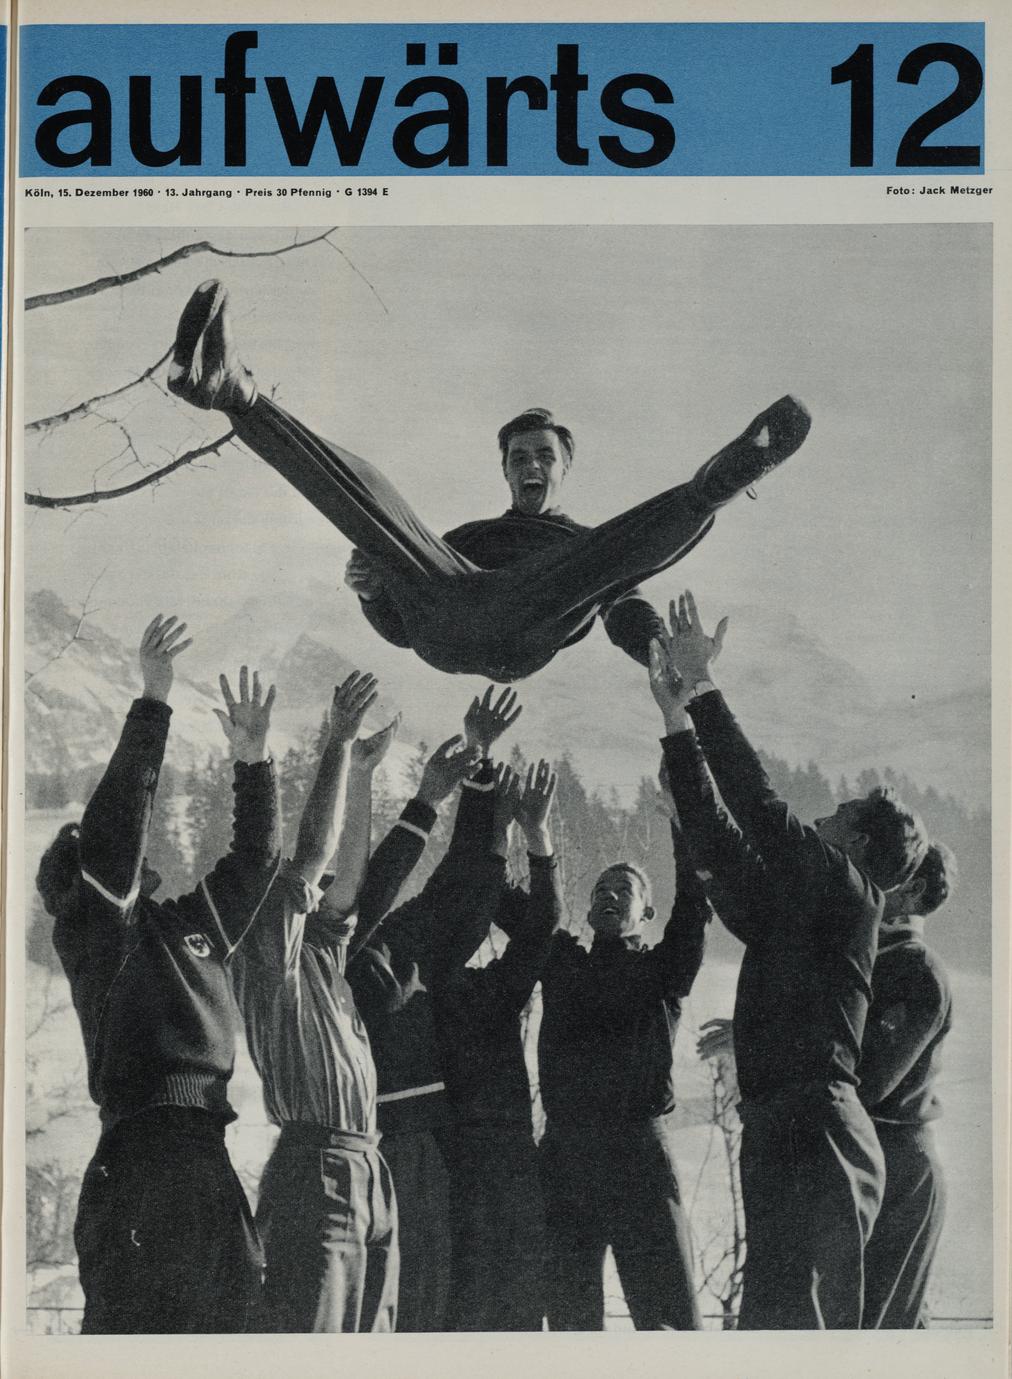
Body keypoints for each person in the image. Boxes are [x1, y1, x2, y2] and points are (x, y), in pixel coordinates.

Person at [167, 278, 812, 682]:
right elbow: (402, 625)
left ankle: (714, 487)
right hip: (447, 627)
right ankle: (233, 393)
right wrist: (373, 592)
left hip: (529, 625)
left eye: (545, 457)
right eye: (519, 457)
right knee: (384, 508)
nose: (532, 466)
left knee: (604, 560)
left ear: (565, 467)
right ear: (503, 470)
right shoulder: (469, 538)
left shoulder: (581, 544)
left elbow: (623, 607)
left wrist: (658, 650)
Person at [650, 589, 929, 1330]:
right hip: (785, 1123)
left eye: (837, 816)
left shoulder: (850, 889)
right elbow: (724, 847)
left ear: (860, 844)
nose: (820, 818)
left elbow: (759, 807)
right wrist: (675, 721)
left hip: (815, 1128)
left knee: (799, 1332)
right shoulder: (805, 909)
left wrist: (703, 686)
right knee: (775, 1326)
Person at [37, 617, 280, 1334]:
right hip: (140, 1162)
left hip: (208, 1156)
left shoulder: (186, 926)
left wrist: (254, 761)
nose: (134, 857)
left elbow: (256, 863)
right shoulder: (92, 932)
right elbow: (115, 834)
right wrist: (153, 701)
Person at [229, 672, 480, 1333]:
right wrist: (338, 744)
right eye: (305, 888)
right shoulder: (267, 952)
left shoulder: (323, 951)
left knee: (376, 1342)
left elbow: (355, 881)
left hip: (369, 1162)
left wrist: (365, 773)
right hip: (318, 1164)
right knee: (313, 1340)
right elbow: (315, 855)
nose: (321, 891)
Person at [343, 685, 524, 1332]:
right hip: (363, 1153)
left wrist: (478, 765)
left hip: (425, 1145)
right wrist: (425, 801)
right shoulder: (319, 952)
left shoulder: (385, 952)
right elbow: (372, 892)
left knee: (428, 1310)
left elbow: (457, 893)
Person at [536, 789, 710, 1331]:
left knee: (669, 1325)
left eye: (624, 889)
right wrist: (532, 834)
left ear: (646, 913)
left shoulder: (663, 971)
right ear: (588, 908)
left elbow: (694, 907)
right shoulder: (562, 962)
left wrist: (681, 825)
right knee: (571, 1323)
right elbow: (526, 911)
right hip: (566, 1156)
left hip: (638, 1157)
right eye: (600, 889)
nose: (609, 895)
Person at [429, 757, 561, 1331]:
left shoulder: (489, 990)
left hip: (507, 1153)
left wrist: (529, 837)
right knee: (458, 1305)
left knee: (517, 1306)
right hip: (446, 1156)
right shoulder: (408, 983)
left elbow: (540, 926)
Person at [860, 842, 956, 1329]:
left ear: (913, 890)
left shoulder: (918, 971)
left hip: (901, 1174)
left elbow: (870, 1083)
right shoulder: (871, 956)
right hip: (870, 1160)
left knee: (884, 1330)